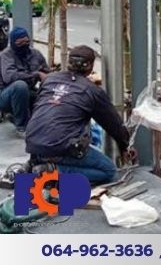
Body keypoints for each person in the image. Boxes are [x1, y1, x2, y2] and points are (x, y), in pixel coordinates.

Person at [25, 45, 130, 184]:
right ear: (90, 66)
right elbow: (113, 124)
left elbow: (40, 109)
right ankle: (53, 171)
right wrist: (125, 146)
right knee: (108, 171)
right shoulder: (92, 90)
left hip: (33, 142)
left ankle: (37, 164)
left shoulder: (49, 80)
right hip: (61, 147)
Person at [0, 27, 49, 136]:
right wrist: (36, 74)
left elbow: (46, 72)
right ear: (13, 43)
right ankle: (22, 127)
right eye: (20, 43)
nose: (24, 45)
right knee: (20, 86)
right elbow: (10, 77)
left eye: (26, 41)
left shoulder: (35, 54)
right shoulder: (6, 55)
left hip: (29, 91)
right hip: (5, 94)